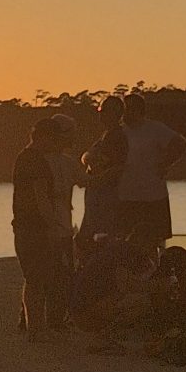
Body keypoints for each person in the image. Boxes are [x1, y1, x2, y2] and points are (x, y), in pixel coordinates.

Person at [11, 113, 86, 341]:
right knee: (38, 279)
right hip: (36, 227)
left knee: (36, 277)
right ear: (44, 137)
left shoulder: (24, 158)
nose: (56, 144)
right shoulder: (36, 161)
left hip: (25, 225)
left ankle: (34, 326)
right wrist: (52, 226)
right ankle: (36, 329)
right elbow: (41, 197)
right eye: (53, 139)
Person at [115, 93, 186, 248]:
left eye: (126, 109)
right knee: (127, 239)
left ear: (137, 110)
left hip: (154, 195)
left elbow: (181, 144)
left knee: (156, 239)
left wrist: (165, 164)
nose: (123, 114)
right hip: (126, 195)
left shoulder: (155, 128)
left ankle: (157, 262)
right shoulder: (119, 132)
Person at [69, 223, 159, 344]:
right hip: (86, 315)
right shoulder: (124, 252)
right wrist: (158, 286)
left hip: (82, 311)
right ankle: (107, 336)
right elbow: (127, 286)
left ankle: (111, 334)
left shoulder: (117, 249)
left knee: (136, 299)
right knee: (143, 303)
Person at [77, 95, 128, 259]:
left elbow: (118, 167)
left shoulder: (117, 136)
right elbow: (87, 156)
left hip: (106, 195)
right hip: (98, 193)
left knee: (100, 234)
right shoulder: (107, 135)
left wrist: (95, 180)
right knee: (90, 233)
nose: (100, 114)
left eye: (102, 110)